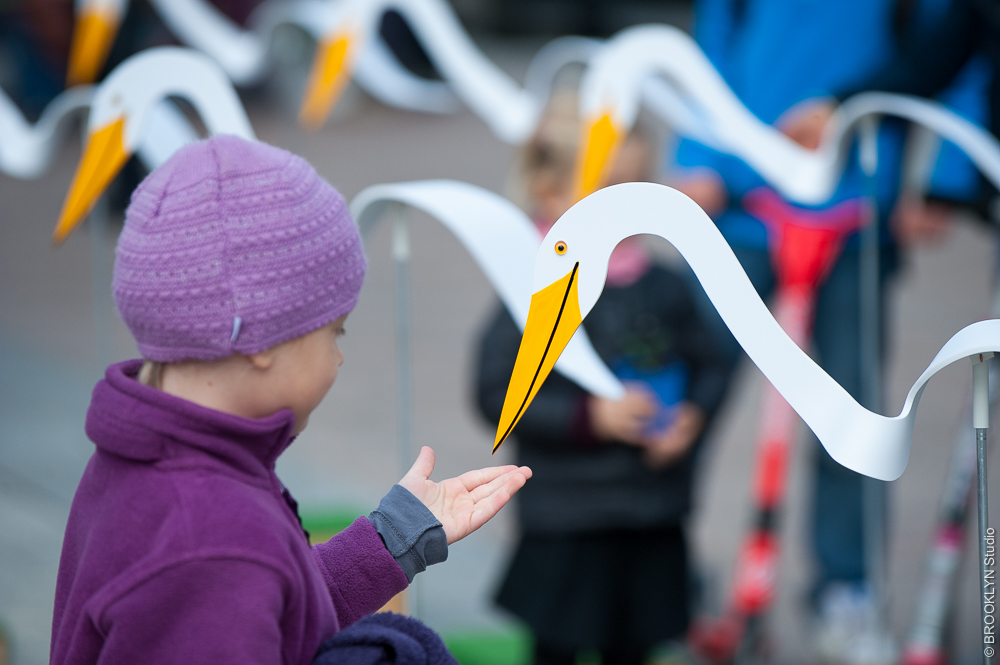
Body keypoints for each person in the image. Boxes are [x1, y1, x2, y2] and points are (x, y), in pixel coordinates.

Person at [49, 135, 532, 665]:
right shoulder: (210, 537)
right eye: (336, 333)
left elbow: (268, 605)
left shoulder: (153, 470)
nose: (340, 359)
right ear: (260, 339)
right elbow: (236, 581)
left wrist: (391, 538)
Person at [670, 0, 988, 662]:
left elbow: (961, 42)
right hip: (737, 206)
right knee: (683, 401)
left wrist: (943, 179)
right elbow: (711, 44)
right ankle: (661, 583)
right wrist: (696, 154)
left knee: (852, 415)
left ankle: (846, 592)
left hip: (855, 213)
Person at [476, 94, 729, 665]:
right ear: (551, 194)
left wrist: (694, 417)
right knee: (557, 646)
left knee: (635, 645)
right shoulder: (539, 289)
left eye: (636, 191)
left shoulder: (665, 285)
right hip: (570, 515)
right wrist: (592, 418)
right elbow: (494, 391)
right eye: (607, 189)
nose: (625, 210)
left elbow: (709, 365)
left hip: (651, 512)